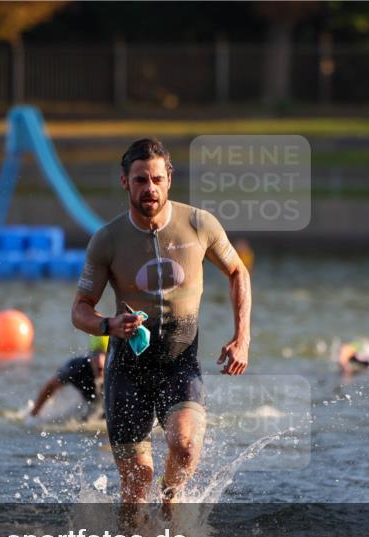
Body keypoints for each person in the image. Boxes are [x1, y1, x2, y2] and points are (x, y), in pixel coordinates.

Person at [71, 138, 251, 516]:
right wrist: (108, 324)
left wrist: (242, 337)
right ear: (125, 183)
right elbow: (80, 311)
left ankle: (171, 503)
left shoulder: (199, 224)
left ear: (169, 179)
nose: (149, 189)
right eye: (140, 180)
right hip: (129, 369)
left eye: (156, 179)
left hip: (179, 361)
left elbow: (237, 271)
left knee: (184, 445)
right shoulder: (107, 240)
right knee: (137, 481)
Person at [30, 336, 107, 421]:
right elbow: (51, 386)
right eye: (95, 354)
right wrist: (34, 413)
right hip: (87, 408)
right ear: (90, 355)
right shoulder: (78, 368)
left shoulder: (118, 371)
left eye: (104, 354)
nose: (100, 360)